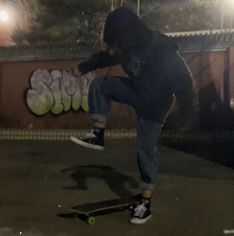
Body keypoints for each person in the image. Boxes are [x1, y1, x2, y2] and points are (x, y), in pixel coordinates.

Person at [71, 7, 194, 224]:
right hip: (136, 92)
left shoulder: (161, 49)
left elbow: (184, 83)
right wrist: (85, 66)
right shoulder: (124, 47)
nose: (116, 47)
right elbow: (105, 57)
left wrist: (184, 114)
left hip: (155, 105)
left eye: (117, 40)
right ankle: (98, 133)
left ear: (127, 32)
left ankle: (145, 203)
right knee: (101, 85)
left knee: (145, 149)